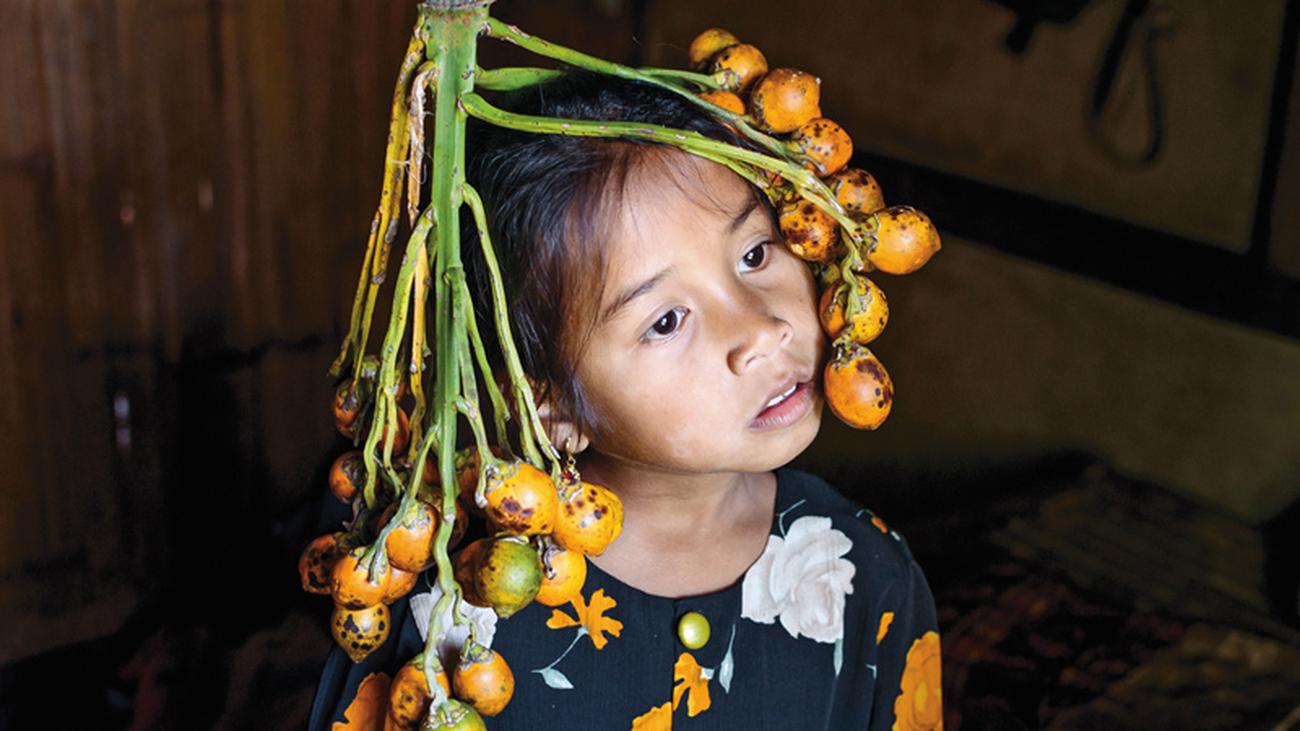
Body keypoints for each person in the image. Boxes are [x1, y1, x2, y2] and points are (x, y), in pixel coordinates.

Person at [308, 70, 942, 730]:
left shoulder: (869, 577)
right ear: (548, 408)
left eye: (756, 253)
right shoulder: (454, 621)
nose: (762, 329)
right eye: (666, 320)